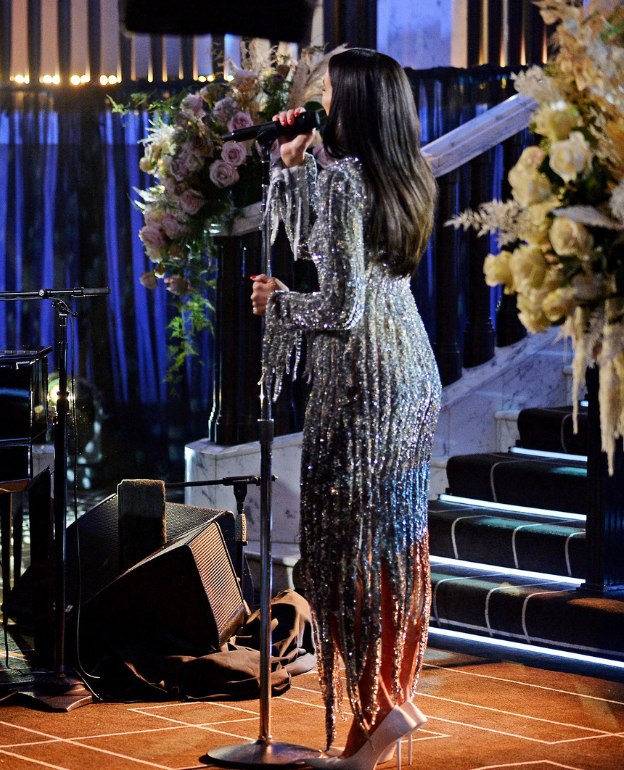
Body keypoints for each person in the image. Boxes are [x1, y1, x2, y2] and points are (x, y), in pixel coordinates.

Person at [251, 49, 441, 769]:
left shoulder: (341, 183)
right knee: (392, 547)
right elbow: (341, 255)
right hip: (410, 368)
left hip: (362, 374)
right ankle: (387, 704)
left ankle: (374, 722)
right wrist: (295, 163)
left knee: (346, 554)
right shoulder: (401, 172)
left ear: (354, 102)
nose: (312, 98)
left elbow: (338, 303)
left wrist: (280, 302)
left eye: (325, 91)